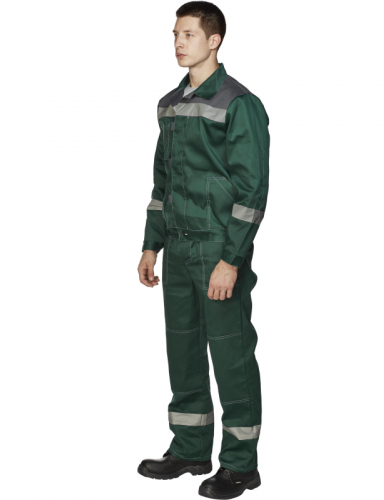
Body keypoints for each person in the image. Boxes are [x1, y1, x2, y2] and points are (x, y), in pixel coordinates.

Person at [136, 2, 270, 498]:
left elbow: (252, 190)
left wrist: (231, 260)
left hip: (217, 248)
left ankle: (240, 464)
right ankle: (190, 449)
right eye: (175, 34)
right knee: (184, 352)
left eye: (188, 34)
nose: (178, 42)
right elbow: (163, 183)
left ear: (214, 40)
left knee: (231, 355)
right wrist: (151, 245)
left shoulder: (239, 103)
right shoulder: (169, 104)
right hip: (176, 247)